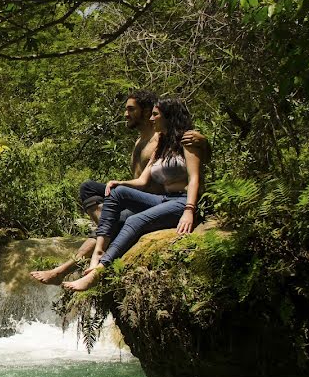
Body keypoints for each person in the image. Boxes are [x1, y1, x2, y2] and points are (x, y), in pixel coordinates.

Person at [31, 90, 206, 285]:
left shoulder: (184, 139)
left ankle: (89, 269)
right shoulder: (156, 142)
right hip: (156, 199)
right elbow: (142, 180)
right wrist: (118, 183)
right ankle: (100, 243)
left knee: (127, 220)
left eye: (132, 109)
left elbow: (195, 171)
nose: (150, 118)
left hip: (173, 201)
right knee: (94, 189)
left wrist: (189, 210)